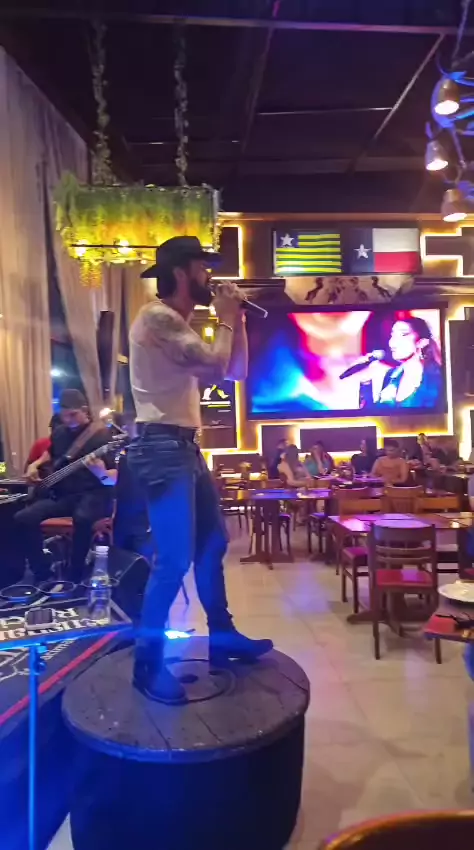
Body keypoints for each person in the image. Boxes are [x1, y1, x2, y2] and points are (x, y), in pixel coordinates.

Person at [127, 235, 273, 703]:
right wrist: (225, 318)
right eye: (203, 268)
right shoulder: (158, 318)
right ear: (181, 273)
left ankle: (223, 641)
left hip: (183, 447)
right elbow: (213, 366)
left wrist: (237, 319)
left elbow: (235, 372)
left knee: (212, 544)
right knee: (173, 560)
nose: (210, 276)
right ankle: (147, 666)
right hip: (162, 447)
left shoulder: (180, 325)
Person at [16, 389, 117, 582]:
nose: (68, 420)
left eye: (73, 415)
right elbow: (50, 454)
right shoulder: (59, 433)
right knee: (23, 518)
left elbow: (113, 479)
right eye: (64, 416)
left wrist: (101, 473)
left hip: (93, 495)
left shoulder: (102, 436)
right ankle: (42, 572)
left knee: (82, 517)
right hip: (64, 496)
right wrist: (35, 465)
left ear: (85, 410)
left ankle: (75, 575)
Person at [375, 316, 442, 408]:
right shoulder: (391, 376)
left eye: (403, 334)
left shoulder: (436, 379)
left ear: (421, 342)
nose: (392, 343)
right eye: (392, 335)